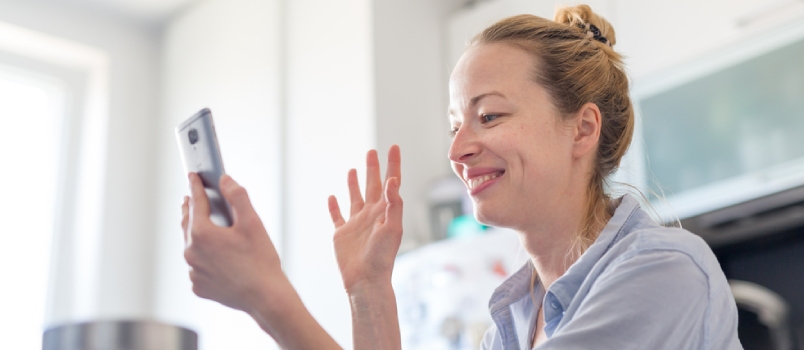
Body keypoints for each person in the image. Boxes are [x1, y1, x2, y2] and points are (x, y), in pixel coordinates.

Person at [181, 4, 742, 349]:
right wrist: (367, 290)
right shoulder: (510, 324)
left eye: (489, 115)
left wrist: (266, 295)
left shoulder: (665, 274)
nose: (458, 148)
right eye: (455, 124)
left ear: (582, 128)